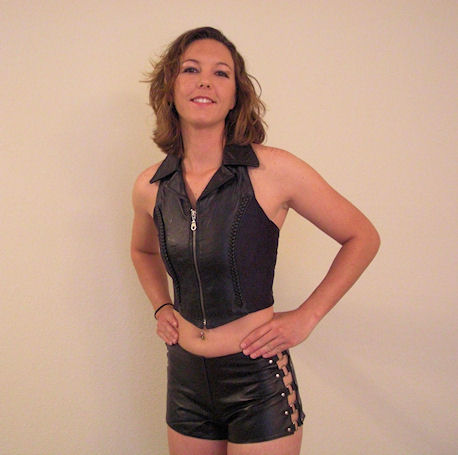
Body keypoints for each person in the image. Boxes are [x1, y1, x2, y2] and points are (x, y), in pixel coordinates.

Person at [131, 26, 380, 455]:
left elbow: (362, 236)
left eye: (220, 73)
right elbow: (142, 250)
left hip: (257, 381)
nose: (205, 81)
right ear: (170, 88)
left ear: (235, 95)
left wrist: (306, 317)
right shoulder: (150, 185)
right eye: (190, 69)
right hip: (185, 380)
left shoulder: (274, 170)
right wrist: (161, 305)